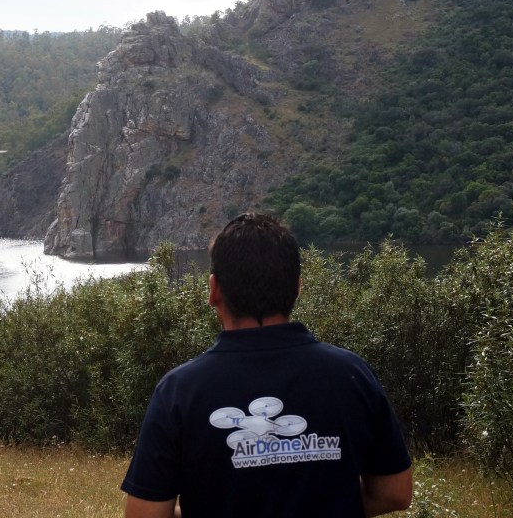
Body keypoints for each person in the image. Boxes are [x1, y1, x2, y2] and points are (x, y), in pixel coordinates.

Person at [121, 213, 413, 517]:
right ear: (297, 288)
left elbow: (144, 514)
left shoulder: (179, 392)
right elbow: (395, 493)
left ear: (214, 290)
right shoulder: (352, 375)